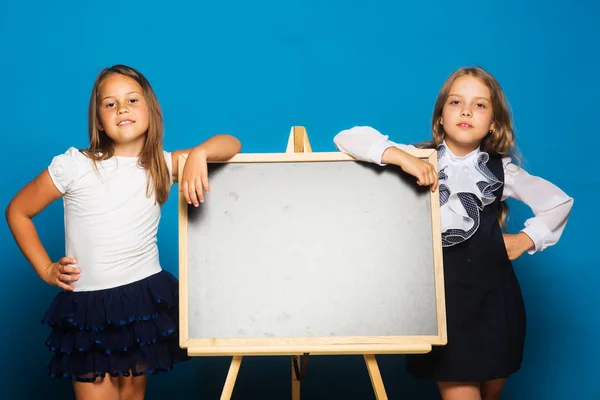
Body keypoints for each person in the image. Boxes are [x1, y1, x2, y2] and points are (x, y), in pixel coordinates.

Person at [333, 67, 573, 400]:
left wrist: (524, 240)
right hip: (442, 304)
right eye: (456, 102)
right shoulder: (418, 157)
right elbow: (348, 137)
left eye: (479, 105)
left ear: (493, 123)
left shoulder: (503, 170)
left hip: (495, 300)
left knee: (491, 393)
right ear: (440, 118)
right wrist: (404, 160)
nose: (465, 111)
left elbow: (558, 203)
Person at [5, 64, 242, 400]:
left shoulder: (161, 164)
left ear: (150, 110)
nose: (122, 109)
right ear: (99, 119)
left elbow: (232, 143)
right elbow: (18, 211)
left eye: (132, 99)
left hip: (140, 298)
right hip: (86, 305)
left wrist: (199, 153)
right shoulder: (74, 165)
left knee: (131, 396)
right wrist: (46, 268)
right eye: (110, 104)